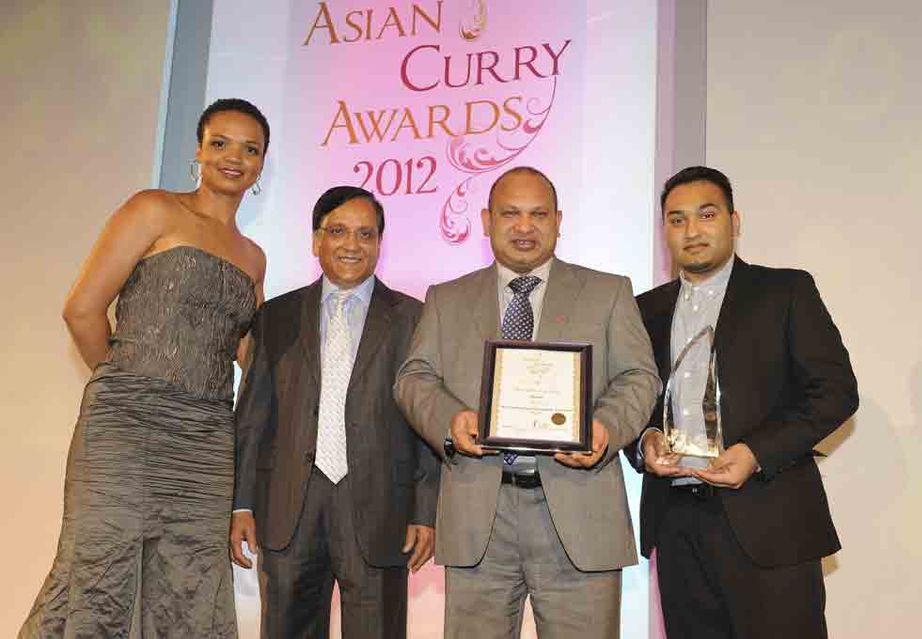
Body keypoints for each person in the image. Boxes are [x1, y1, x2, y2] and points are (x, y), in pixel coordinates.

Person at [20, 98, 269, 637]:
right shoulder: (154, 209)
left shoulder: (254, 258)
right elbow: (82, 310)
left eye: (250, 149)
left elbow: (251, 355)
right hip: (125, 427)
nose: (234, 158)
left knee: (190, 584)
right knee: (100, 569)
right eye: (220, 143)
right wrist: (123, 383)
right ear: (198, 151)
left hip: (206, 441)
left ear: (261, 165)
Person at [394, 166, 661, 638]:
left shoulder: (609, 292)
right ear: (486, 221)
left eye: (538, 214)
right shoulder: (446, 299)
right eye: (510, 214)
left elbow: (639, 377)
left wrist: (605, 427)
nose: (524, 226)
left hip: (580, 512)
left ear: (559, 221)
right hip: (479, 516)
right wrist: (450, 421)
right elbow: (413, 379)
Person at [626, 166, 859, 639]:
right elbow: (633, 397)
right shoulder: (643, 309)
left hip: (769, 519)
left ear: (734, 222)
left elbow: (835, 391)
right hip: (677, 523)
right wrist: (645, 439)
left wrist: (755, 453)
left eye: (706, 214)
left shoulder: (785, 291)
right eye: (677, 219)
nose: (692, 230)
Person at [229, 186, 439, 638]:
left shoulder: (416, 318)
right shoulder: (276, 316)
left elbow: (426, 422)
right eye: (338, 231)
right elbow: (253, 418)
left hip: (381, 510)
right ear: (316, 241)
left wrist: (425, 511)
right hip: (288, 506)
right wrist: (241, 503)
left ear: (380, 244)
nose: (352, 245)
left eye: (366, 234)